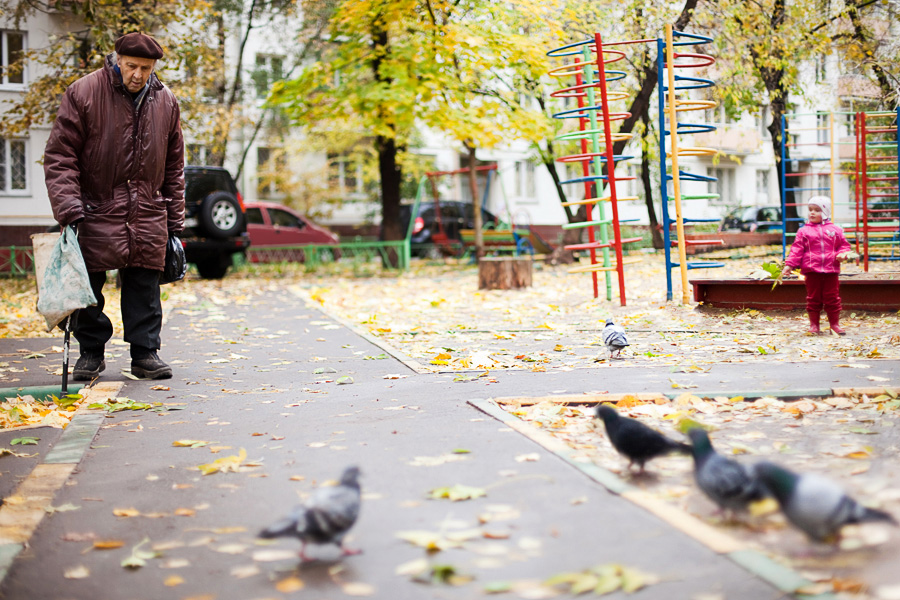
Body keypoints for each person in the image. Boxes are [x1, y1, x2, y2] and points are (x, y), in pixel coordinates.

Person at [44, 32, 185, 380]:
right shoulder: (84, 92)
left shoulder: (166, 101)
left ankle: (145, 354)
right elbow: (60, 156)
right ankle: (91, 353)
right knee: (88, 289)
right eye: (132, 66)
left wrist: (176, 223)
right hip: (93, 208)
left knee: (145, 289)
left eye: (146, 68)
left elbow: (174, 166)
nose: (138, 75)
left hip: (149, 211)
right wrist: (68, 208)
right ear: (117, 59)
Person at [781, 196, 852, 336]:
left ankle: (835, 325)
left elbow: (843, 245)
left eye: (817, 210)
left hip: (831, 270)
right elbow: (797, 249)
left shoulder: (835, 230)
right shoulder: (804, 231)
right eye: (810, 210)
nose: (812, 213)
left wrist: (843, 254)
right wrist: (789, 265)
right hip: (811, 270)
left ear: (825, 212)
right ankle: (814, 325)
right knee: (813, 298)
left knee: (832, 297)